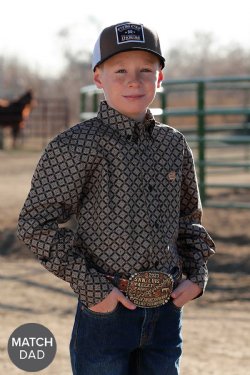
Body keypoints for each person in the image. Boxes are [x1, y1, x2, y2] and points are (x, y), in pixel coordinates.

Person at [17, 21, 215, 375]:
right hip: (106, 311)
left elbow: (189, 219)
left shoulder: (173, 144)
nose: (133, 81)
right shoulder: (74, 146)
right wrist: (94, 289)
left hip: (167, 313)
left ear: (160, 77)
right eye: (119, 70)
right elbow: (35, 223)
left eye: (145, 70)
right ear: (98, 78)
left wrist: (197, 276)